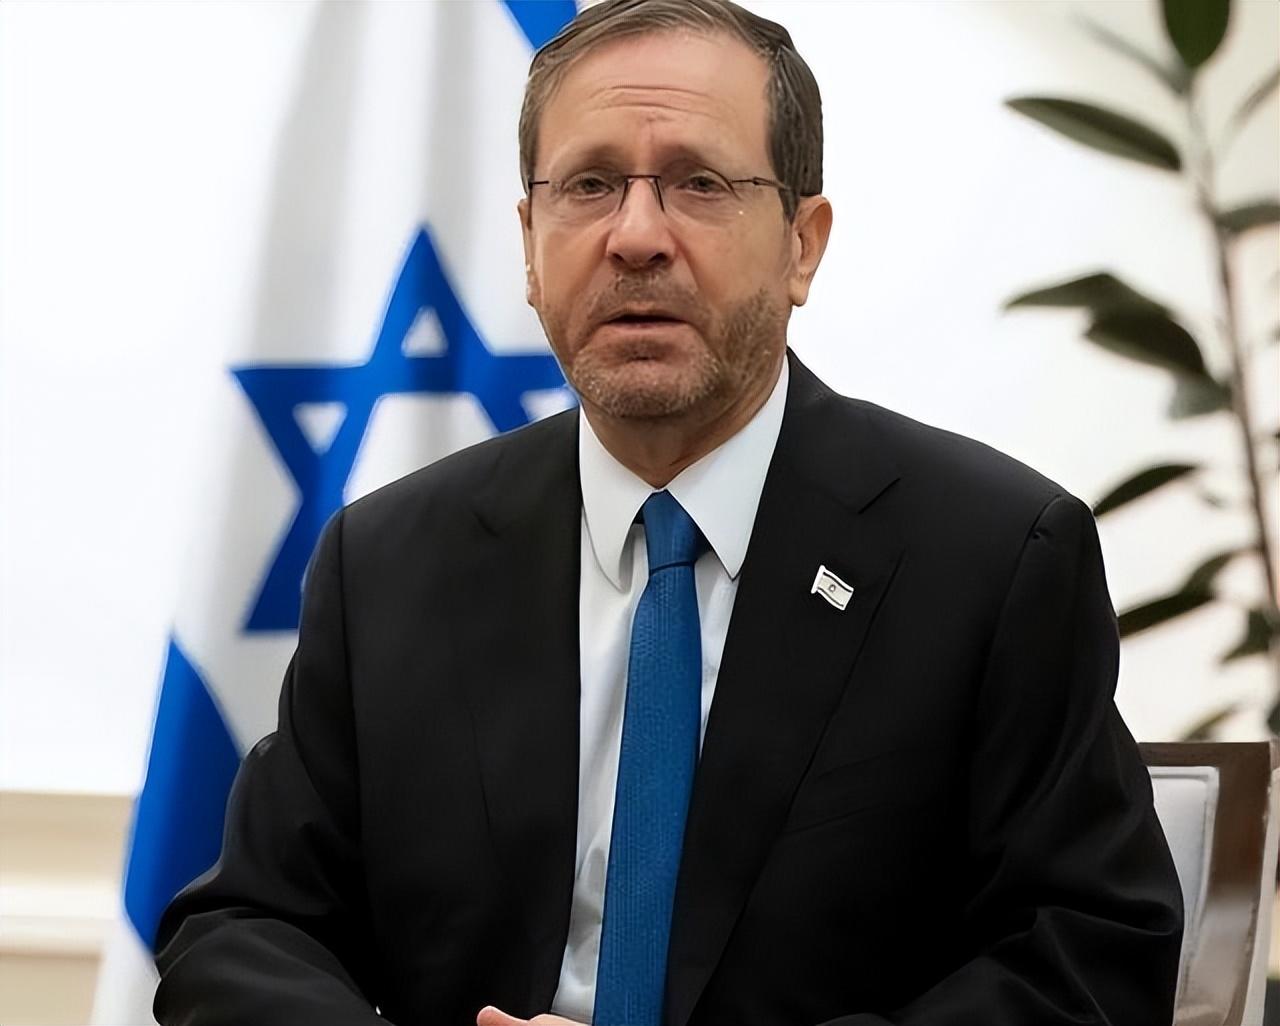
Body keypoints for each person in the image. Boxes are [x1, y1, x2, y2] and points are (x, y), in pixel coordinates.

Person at [153, 2, 1184, 1024]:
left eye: (699, 183)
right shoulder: (389, 560)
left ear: (802, 245)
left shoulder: (991, 559)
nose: (636, 237)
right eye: (589, 185)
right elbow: (244, 927)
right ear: (529, 241)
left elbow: (1086, 959)